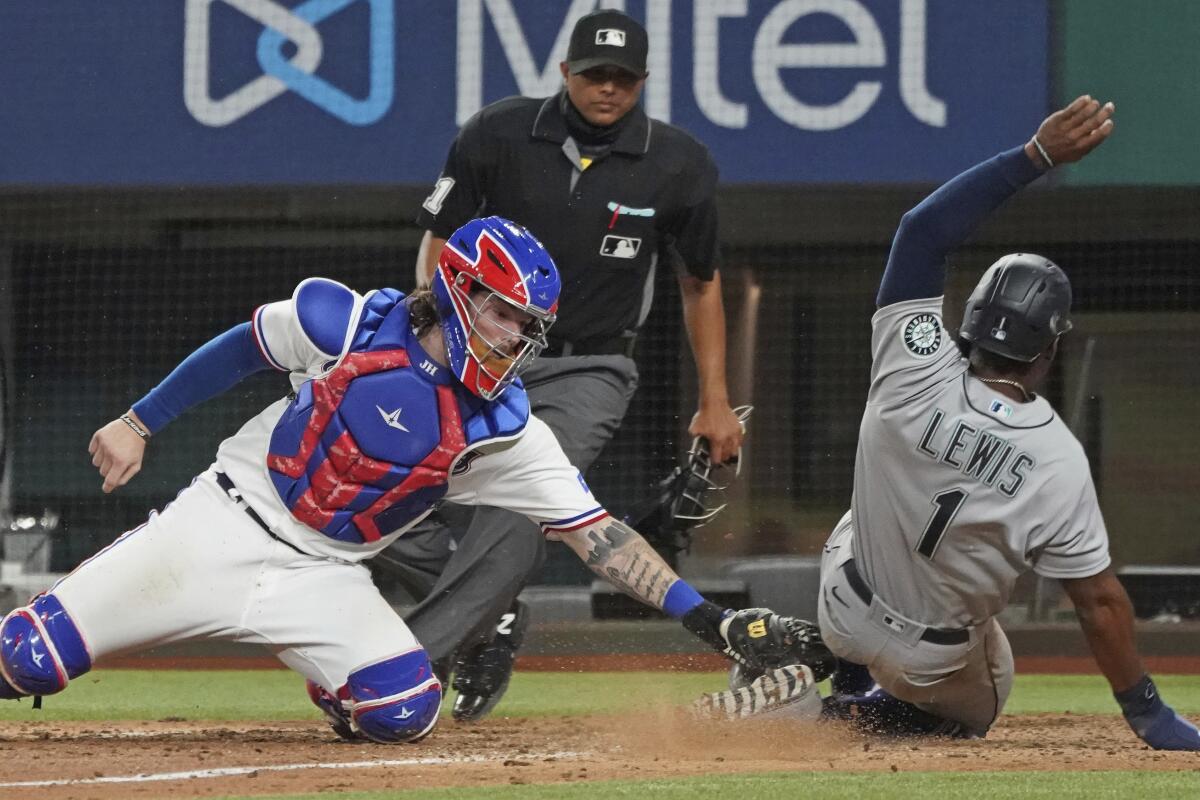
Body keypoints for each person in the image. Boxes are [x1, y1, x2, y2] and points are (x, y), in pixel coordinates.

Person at [0, 216, 781, 744]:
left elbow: (599, 538)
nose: (515, 339)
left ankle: (333, 675)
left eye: (527, 327)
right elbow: (245, 347)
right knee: (25, 658)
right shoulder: (341, 322)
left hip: (327, 575)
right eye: (503, 313)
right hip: (219, 525)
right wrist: (139, 423)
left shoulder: (508, 431)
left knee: (403, 710)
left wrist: (710, 621)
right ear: (458, 287)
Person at [801, 96, 1200, 749]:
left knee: (872, 506)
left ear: (969, 324)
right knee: (992, 680)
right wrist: (1149, 714)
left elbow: (923, 229)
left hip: (842, 603)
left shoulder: (911, 362)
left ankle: (833, 664)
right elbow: (1098, 604)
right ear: (1048, 353)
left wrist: (1036, 156)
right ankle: (846, 715)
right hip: (926, 660)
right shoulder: (1056, 457)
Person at [390, 8, 744, 721]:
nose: (606, 89)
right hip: (479, 354)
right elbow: (438, 241)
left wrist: (715, 398)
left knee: (525, 501)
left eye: (621, 77)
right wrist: (426, 332)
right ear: (564, 74)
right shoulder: (497, 133)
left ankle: (401, 667)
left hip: (591, 367)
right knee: (383, 482)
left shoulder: (679, 164)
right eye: (593, 75)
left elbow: (700, 284)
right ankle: (490, 617)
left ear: (642, 81)